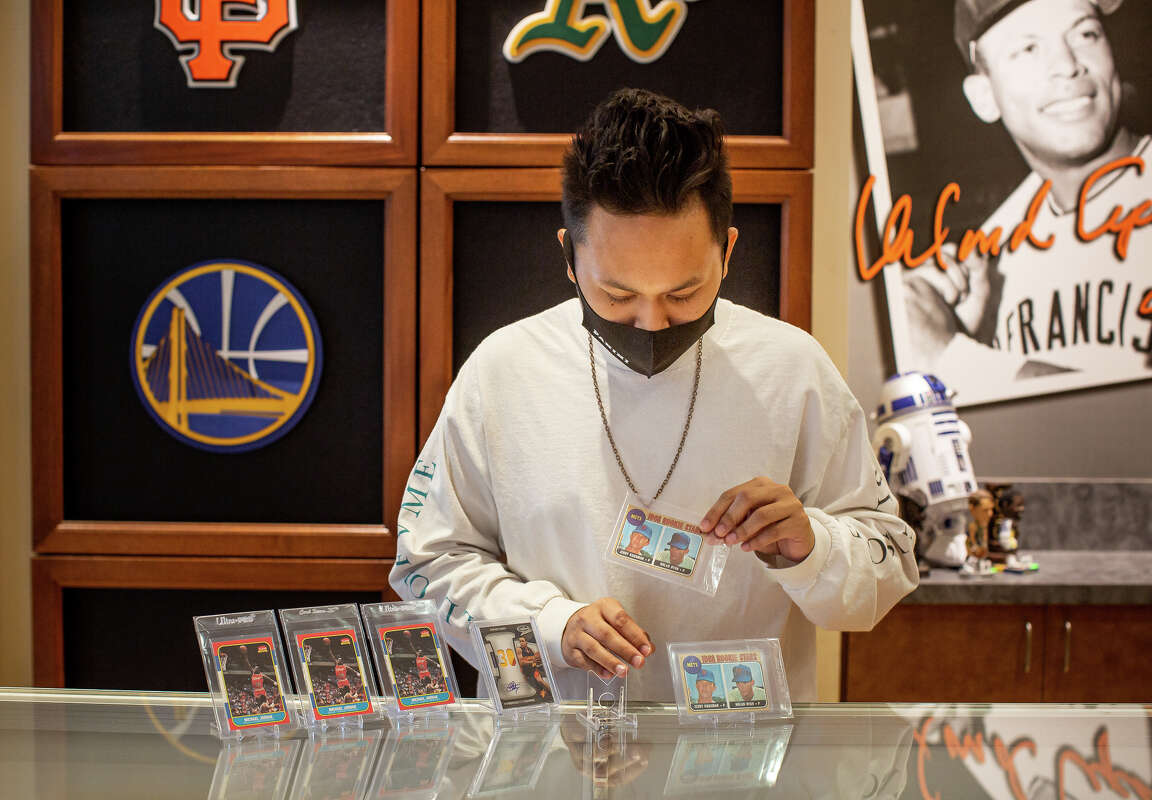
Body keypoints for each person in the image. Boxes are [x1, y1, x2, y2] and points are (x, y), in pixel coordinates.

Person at [390, 88, 918, 702]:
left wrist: (812, 544)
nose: (651, 322)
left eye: (684, 293)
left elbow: (891, 560)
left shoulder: (792, 369)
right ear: (569, 258)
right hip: (549, 759)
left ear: (728, 252)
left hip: (742, 765)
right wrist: (550, 625)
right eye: (616, 296)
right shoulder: (502, 370)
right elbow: (427, 564)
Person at [902, 0, 1151, 402]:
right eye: (1028, 49)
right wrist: (961, 332)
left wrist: (951, 359)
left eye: (1086, 34)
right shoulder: (992, 251)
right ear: (985, 97)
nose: (1067, 65)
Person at [515, 634, 553, 700]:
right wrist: (532, 661)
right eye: (520, 641)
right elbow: (521, 662)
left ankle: (552, 694)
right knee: (536, 688)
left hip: (533, 669)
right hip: (526, 672)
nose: (521, 643)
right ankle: (546, 696)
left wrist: (538, 661)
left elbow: (535, 658)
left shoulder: (530, 649)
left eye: (522, 641)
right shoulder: (519, 650)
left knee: (540, 681)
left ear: (526, 642)